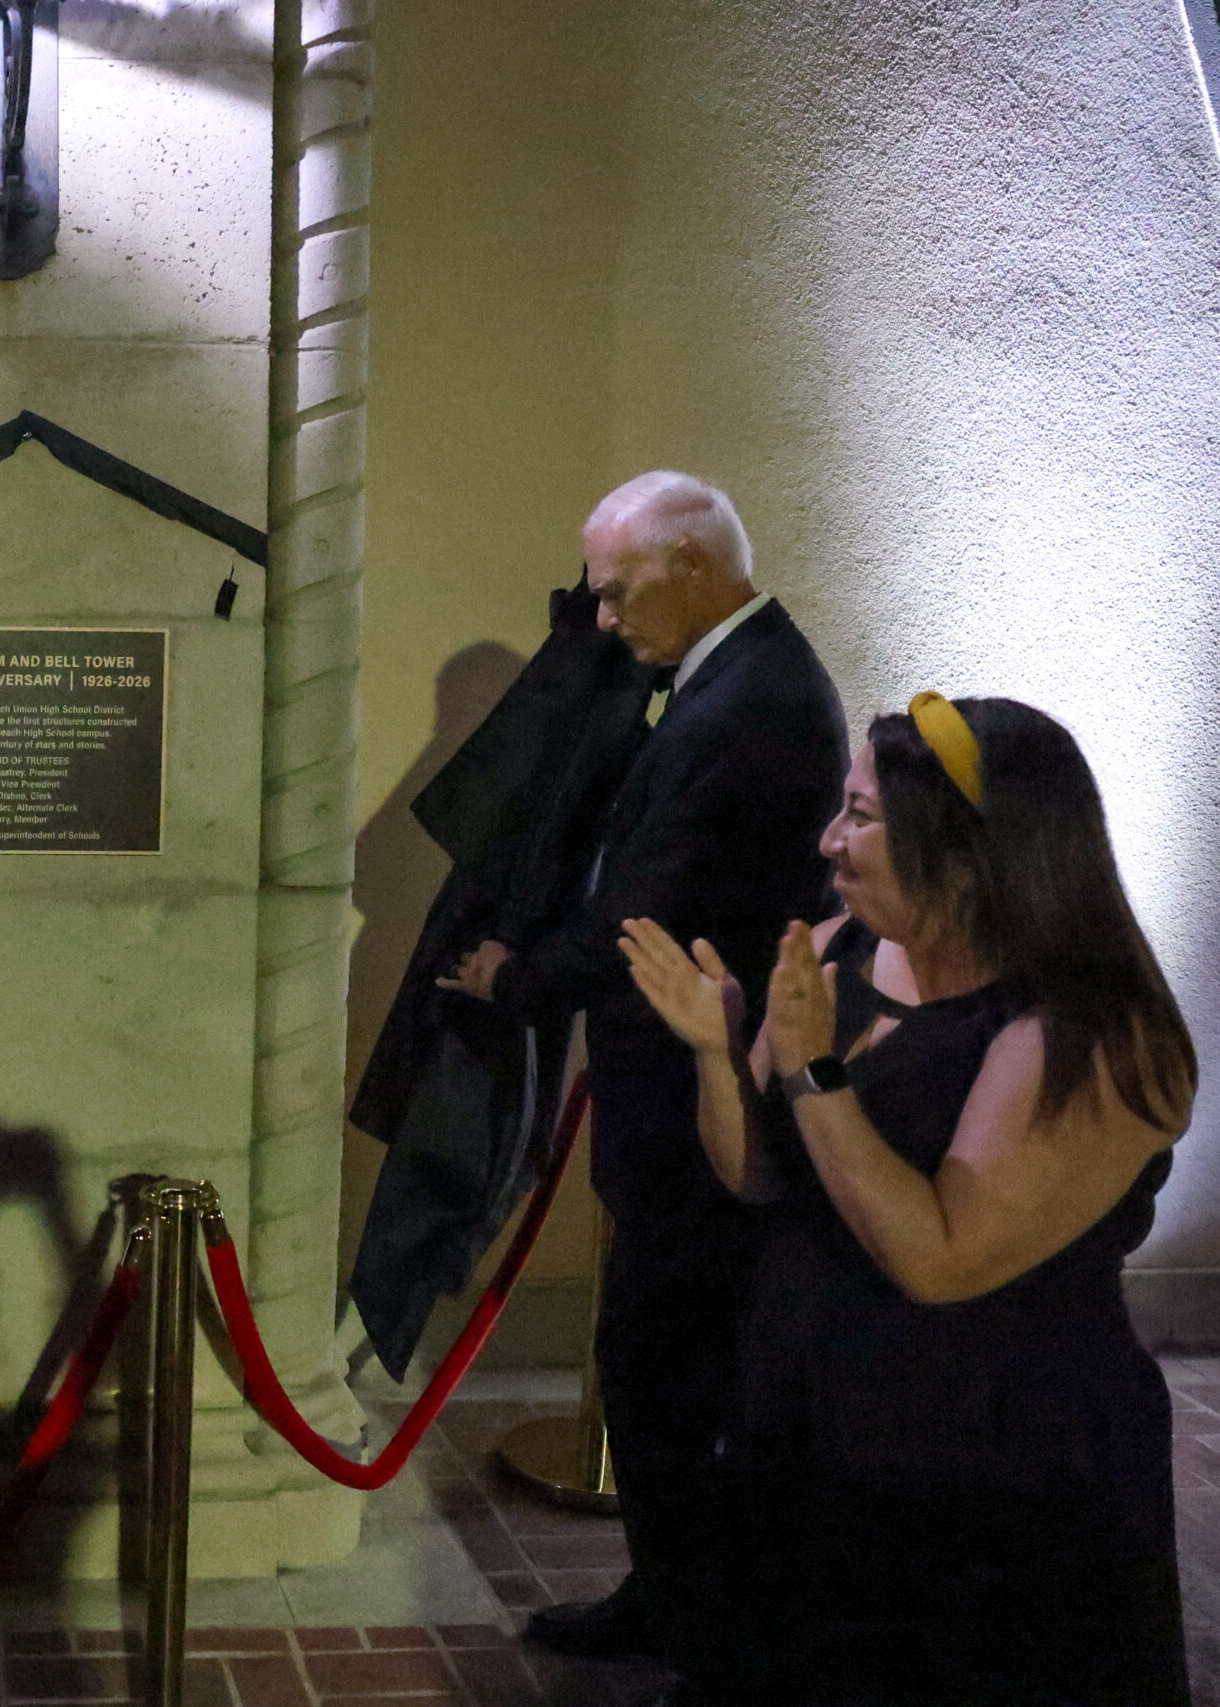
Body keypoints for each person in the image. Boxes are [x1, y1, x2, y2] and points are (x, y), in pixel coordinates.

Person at [620, 694, 1193, 1705]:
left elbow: (939, 1259)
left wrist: (813, 1072)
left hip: (990, 1472)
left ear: (970, 851)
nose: (827, 841)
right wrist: (719, 1052)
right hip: (813, 1434)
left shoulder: (1092, 1032)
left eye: (861, 816)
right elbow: (758, 1178)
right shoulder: (839, 948)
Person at [439, 472, 846, 1701]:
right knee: (657, 1369)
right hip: (674, 1087)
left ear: (688, 561)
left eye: (616, 592)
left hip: (700, 1100)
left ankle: (710, 1648)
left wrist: (515, 976)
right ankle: (666, 1599)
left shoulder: (752, 703)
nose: (603, 620)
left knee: (673, 1376)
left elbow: (643, 904)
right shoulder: (731, 678)